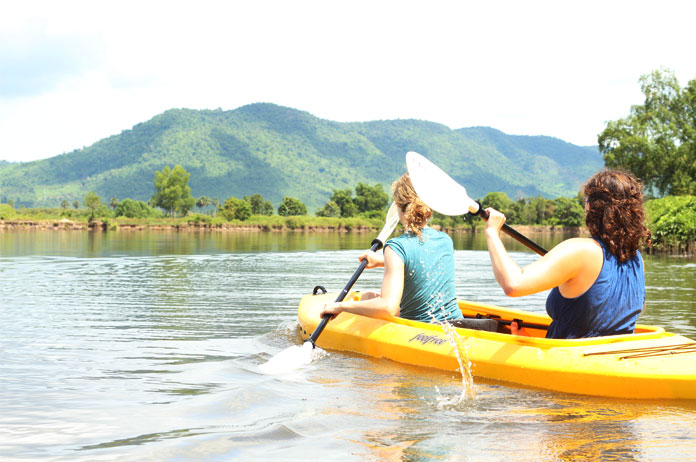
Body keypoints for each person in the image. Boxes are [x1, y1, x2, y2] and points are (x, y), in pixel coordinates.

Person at [483, 169, 651, 339]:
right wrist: (529, 340)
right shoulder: (637, 259)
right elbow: (610, 320)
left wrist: (492, 232)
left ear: (590, 207)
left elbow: (513, 284)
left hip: (573, 358)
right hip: (617, 356)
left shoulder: (580, 250)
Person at [320, 173, 465, 324]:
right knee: (369, 297)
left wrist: (341, 306)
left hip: (421, 331)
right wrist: (382, 261)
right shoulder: (445, 240)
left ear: (398, 205)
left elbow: (387, 307)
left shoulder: (396, 247)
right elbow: (423, 262)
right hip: (456, 323)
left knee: (369, 300)